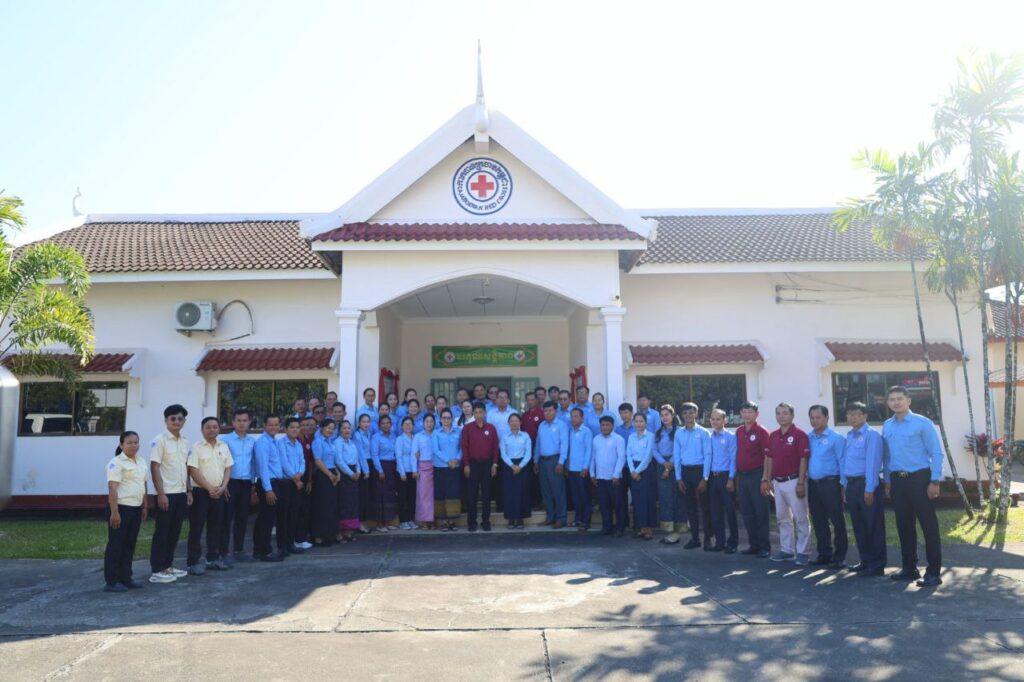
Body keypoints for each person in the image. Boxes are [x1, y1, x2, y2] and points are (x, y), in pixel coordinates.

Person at [882, 386, 944, 587]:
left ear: (909, 400)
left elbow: (936, 453)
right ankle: (909, 569)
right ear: (888, 403)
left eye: (900, 398)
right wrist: (888, 481)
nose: (896, 402)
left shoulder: (922, 423)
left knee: (929, 527)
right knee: (904, 526)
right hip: (898, 481)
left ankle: (933, 573)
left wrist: (934, 481)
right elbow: (887, 457)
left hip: (920, 479)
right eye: (892, 399)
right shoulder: (887, 426)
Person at [148, 404, 192, 584]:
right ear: (166, 420)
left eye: (180, 418)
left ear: (184, 421)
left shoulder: (184, 441)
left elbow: (185, 468)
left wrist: (188, 490)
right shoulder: (159, 440)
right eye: (172, 418)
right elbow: (154, 467)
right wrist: (161, 494)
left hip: (180, 493)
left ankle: (167, 565)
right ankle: (157, 570)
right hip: (166, 494)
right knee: (162, 532)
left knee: (174, 532)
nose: (176, 421)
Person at [843, 402, 887, 577]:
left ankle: (877, 564)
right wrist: (845, 485)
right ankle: (866, 560)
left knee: (873, 525)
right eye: (850, 414)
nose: (853, 417)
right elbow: (847, 462)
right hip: (852, 485)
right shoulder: (850, 435)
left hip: (867, 484)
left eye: (857, 414)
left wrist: (870, 489)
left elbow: (873, 464)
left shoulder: (872, 435)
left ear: (865, 416)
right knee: (859, 524)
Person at [186, 416, 234, 574]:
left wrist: (223, 486)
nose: (212, 430)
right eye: (208, 427)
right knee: (197, 527)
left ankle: (212, 559)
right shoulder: (196, 447)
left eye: (215, 427)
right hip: (201, 493)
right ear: (202, 430)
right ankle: (193, 562)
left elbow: (228, 468)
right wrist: (209, 488)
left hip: (219, 492)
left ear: (219, 429)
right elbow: (193, 470)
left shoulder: (223, 446)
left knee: (216, 526)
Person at [765, 403, 811, 565]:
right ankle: (787, 550)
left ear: (792, 415)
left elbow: (803, 459)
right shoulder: (773, 435)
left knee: (801, 518)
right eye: (778, 413)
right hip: (777, 482)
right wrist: (768, 479)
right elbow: (769, 458)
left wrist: (801, 482)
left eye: (785, 413)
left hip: (794, 481)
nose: (781, 416)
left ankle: (803, 552)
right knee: (782, 518)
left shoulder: (800, 434)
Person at [104, 431, 148, 592]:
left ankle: (126, 578)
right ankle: (111, 581)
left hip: (136, 508)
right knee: (116, 545)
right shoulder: (116, 463)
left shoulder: (141, 461)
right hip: (121, 508)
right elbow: (112, 488)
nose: (133, 445)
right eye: (129, 443)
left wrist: (145, 506)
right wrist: (114, 512)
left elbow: (143, 485)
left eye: (136, 442)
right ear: (121, 445)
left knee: (130, 544)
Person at [807, 405, 848, 569]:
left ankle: (839, 556)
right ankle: (824, 554)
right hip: (813, 484)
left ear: (826, 418)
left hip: (831, 483)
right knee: (818, 520)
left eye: (818, 417)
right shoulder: (808, 437)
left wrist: (844, 485)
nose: (815, 420)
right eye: (812, 417)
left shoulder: (836, 438)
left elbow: (843, 462)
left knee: (837, 520)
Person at [735, 401, 772, 558]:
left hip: (757, 475)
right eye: (744, 412)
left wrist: (765, 478)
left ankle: (765, 547)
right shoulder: (739, 431)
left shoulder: (762, 432)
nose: (747, 415)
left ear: (757, 414)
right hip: (742, 476)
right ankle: (754, 545)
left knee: (760, 511)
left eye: (750, 412)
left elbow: (768, 456)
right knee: (747, 512)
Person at [674, 403, 713, 550]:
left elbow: (708, 455)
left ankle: (708, 539)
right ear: (682, 415)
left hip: (700, 471)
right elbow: (677, 456)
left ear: (696, 414)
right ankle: (695, 538)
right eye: (685, 413)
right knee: (690, 508)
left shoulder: (704, 432)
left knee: (705, 507)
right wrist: (678, 477)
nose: (688, 416)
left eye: (691, 413)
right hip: (685, 472)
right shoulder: (679, 433)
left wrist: (705, 478)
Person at [699, 409, 738, 553]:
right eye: (712, 419)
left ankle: (733, 543)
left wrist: (731, 478)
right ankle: (720, 542)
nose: (715, 421)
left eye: (718, 419)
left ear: (724, 420)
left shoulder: (730, 437)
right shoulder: (709, 437)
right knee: (715, 512)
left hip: (725, 476)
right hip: (712, 478)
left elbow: (733, 459)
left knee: (730, 511)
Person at [220, 409, 256, 563]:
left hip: (246, 483)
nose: (242, 423)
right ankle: (223, 552)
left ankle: (239, 550)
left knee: (242, 517)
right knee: (226, 518)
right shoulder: (225, 440)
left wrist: (253, 481)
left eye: (245, 420)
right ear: (233, 422)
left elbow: (253, 462)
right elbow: (221, 463)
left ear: (249, 422)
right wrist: (223, 484)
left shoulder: (252, 441)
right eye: (239, 420)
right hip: (230, 483)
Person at [460, 402, 500, 532]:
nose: (478, 415)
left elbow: (495, 448)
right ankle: (471, 522)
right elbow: (464, 447)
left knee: (486, 494)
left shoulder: (491, 428)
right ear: (473, 413)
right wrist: (466, 464)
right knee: (471, 495)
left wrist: (494, 464)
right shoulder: (467, 428)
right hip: (473, 464)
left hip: (487, 464)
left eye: (480, 412)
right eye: (476, 412)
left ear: (485, 413)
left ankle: (485, 521)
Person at [253, 414, 286, 562]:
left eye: (276, 424)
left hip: (275, 483)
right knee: (267, 519)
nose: (273, 427)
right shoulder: (262, 443)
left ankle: (259, 550)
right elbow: (263, 467)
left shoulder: (274, 442)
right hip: (268, 484)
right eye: (270, 424)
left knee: (266, 517)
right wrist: (268, 489)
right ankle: (264, 552)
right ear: (265, 426)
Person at [534, 400, 569, 528]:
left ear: (555, 411)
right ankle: (550, 517)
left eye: (550, 410)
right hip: (543, 461)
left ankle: (561, 518)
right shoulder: (541, 426)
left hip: (555, 461)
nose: (547, 413)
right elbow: (538, 444)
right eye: (545, 411)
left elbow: (564, 444)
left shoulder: (561, 425)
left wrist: (561, 462)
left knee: (558, 491)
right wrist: (535, 460)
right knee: (546, 492)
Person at [655, 405, 686, 544]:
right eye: (662, 415)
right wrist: (663, 463)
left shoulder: (679, 431)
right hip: (661, 466)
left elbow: (679, 450)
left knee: (677, 497)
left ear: (673, 416)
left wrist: (669, 467)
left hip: (676, 465)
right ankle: (669, 531)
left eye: (667, 414)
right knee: (665, 498)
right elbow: (654, 450)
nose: (664, 417)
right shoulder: (658, 432)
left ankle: (677, 532)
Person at [591, 415, 626, 536]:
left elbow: (621, 458)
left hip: (614, 478)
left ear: (612, 426)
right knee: (604, 504)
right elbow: (593, 457)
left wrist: (616, 475)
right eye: (602, 425)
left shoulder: (618, 439)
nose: (604, 427)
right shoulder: (596, 439)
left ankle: (620, 528)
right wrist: (592, 474)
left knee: (618, 504)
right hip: (600, 477)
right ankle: (607, 527)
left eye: (607, 425)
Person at [277, 417, 306, 555]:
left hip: (297, 482)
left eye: (297, 427)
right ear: (286, 429)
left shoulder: (298, 444)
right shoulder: (281, 443)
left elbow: (302, 461)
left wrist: (300, 473)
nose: (295, 430)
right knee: (283, 515)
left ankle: (290, 543)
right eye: (292, 427)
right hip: (285, 483)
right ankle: (282, 546)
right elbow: (284, 462)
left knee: (294, 514)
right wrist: (295, 477)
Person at [626, 413, 656, 540]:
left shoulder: (650, 436)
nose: (639, 424)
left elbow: (648, 456)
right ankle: (640, 528)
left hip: (646, 470)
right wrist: (632, 470)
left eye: (641, 421)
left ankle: (648, 529)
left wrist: (637, 471)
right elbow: (628, 454)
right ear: (633, 423)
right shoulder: (631, 436)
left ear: (645, 423)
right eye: (636, 421)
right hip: (633, 469)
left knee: (647, 500)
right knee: (637, 500)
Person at [500, 413, 532, 528]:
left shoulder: (525, 436)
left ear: (520, 423)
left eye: (516, 421)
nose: (514, 423)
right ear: (508, 423)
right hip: (509, 466)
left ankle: (520, 518)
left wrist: (520, 466)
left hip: (523, 466)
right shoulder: (504, 437)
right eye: (512, 421)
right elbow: (503, 454)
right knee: (510, 493)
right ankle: (511, 518)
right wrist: (512, 466)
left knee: (522, 492)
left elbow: (528, 454)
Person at [311, 419, 340, 546]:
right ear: (322, 428)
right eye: (328, 427)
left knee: (331, 506)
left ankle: (329, 535)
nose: (331, 430)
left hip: (332, 472)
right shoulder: (317, 442)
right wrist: (329, 474)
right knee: (322, 506)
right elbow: (318, 461)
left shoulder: (330, 442)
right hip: (323, 475)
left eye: (333, 428)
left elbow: (332, 460)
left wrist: (337, 473)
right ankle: (319, 537)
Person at [433, 408, 463, 531]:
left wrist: (457, 459)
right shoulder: (436, 433)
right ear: (440, 419)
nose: (446, 420)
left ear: (452, 419)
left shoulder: (458, 431)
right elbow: (436, 450)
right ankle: (443, 521)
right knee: (441, 493)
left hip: (455, 467)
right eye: (444, 418)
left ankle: (452, 520)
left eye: (448, 418)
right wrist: (448, 460)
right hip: (440, 467)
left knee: (453, 493)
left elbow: (462, 448)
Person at [335, 420, 363, 541]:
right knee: (344, 502)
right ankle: (342, 530)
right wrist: (350, 473)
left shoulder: (352, 442)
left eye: (349, 428)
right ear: (339, 430)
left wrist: (358, 471)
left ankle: (350, 530)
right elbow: (339, 461)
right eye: (344, 428)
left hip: (354, 473)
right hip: (344, 474)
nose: (347, 430)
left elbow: (357, 459)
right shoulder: (338, 443)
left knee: (352, 502)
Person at [371, 415, 399, 532]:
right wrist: (380, 470)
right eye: (383, 423)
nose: (386, 425)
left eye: (388, 423)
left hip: (392, 467)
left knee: (390, 494)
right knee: (380, 495)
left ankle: (388, 522)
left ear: (391, 424)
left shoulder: (394, 436)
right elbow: (374, 455)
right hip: (381, 467)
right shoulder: (376, 437)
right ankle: (379, 524)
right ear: (379, 425)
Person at [567, 408, 593, 531]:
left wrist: (585, 467)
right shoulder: (570, 431)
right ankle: (578, 519)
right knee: (575, 497)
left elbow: (589, 450)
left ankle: (586, 521)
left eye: (576, 416)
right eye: (572, 416)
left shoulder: (586, 431)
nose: (573, 419)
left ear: (582, 418)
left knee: (584, 496)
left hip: (582, 469)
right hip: (571, 469)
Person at [295, 415, 317, 550]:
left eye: (306, 425)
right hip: (295, 478)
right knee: (296, 509)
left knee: (304, 509)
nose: (304, 428)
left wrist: (309, 480)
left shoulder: (308, 441)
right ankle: (296, 539)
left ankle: (301, 538)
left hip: (305, 477)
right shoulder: (295, 441)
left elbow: (310, 462)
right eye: (301, 425)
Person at [414, 413, 437, 529]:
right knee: (423, 495)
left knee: (434, 495)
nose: (429, 424)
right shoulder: (418, 436)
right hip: (423, 468)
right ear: (423, 423)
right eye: (427, 421)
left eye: (431, 421)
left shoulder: (437, 434)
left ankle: (432, 520)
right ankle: (423, 520)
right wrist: (415, 470)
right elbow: (414, 454)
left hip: (436, 466)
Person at [395, 416, 418, 530]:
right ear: (402, 426)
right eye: (406, 424)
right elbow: (398, 457)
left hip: (413, 471)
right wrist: (402, 473)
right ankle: (403, 521)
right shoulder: (400, 439)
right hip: (403, 472)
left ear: (413, 426)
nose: (408, 426)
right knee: (403, 497)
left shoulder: (416, 438)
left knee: (412, 497)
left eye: (410, 424)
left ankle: (410, 519)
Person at [354, 414, 376, 533]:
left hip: (369, 463)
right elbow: (360, 454)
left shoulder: (369, 433)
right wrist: (366, 471)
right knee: (362, 496)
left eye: (368, 421)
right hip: (362, 466)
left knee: (367, 496)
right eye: (363, 421)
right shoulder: (357, 435)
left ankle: (364, 523)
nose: (366, 424)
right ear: (359, 423)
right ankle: (360, 524)